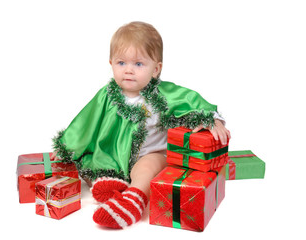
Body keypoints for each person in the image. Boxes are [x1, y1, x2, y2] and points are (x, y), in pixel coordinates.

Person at [51, 21, 230, 229]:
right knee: (91, 163)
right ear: (110, 64)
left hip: (149, 155)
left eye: (138, 64)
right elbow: (86, 122)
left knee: (148, 167)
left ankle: (134, 199)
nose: (128, 70)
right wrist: (67, 147)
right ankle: (114, 185)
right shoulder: (107, 95)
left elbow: (190, 101)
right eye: (121, 63)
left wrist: (211, 118)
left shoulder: (163, 94)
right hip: (113, 155)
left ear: (156, 69)